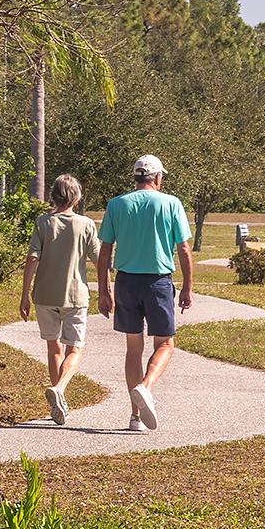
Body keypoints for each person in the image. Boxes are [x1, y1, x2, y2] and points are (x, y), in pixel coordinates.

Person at [97, 155, 193, 431]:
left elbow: (105, 250)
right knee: (165, 344)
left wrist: (104, 290)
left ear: (136, 178)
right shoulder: (171, 203)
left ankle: (135, 417)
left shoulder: (117, 204)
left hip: (126, 282)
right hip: (158, 283)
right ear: (158, 178)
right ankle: (146, 387)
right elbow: (184, 249)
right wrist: (187, 286)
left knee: (133, 349)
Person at [20, 174, 100, 426]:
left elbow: (33, 258)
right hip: (75, 297)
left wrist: (24, 294)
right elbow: (100, 259)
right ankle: (60, 389)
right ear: (76, 197)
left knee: (53, 347)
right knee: (74, 348)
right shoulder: (86, 224)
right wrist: (110, 286)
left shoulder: (42, 222)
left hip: (44, 295)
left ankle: (58, 400)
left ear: (53, 196)